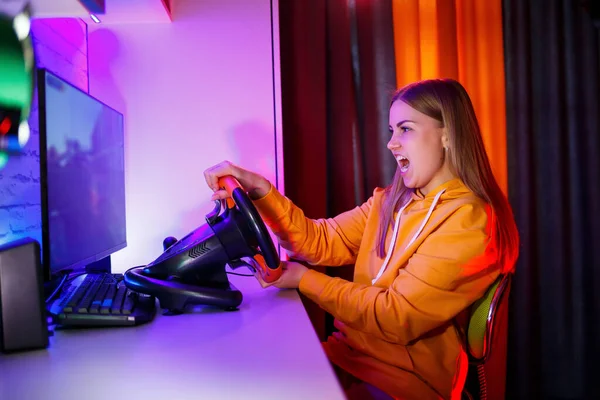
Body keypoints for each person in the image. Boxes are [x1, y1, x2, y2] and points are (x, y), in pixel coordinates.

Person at [203, 78, 519, 400]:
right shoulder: (392, 201)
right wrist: (259, 189)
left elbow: (398, 317)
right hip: (348, 357)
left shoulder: (470, 221)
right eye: (391, 131)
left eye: (405, 129)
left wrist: (305, 280)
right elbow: (319, 240)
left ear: (447, 134)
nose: (391, 143)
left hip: (402, 382)